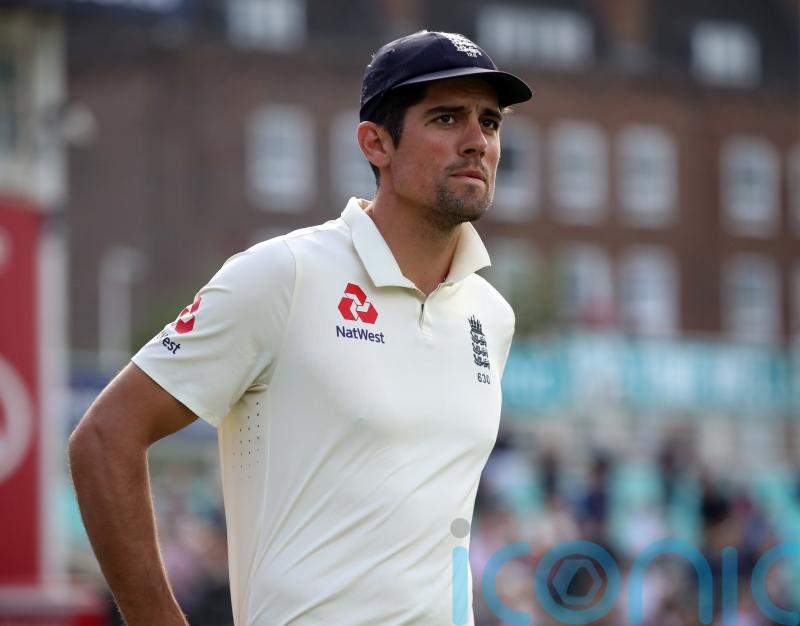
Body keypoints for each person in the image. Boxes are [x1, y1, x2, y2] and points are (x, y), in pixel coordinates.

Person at [68, 30, 532, 626]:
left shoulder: (491, 315)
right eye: (446, 118)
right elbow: (105, 438)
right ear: (376, 143)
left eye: (490, 123)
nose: (476, 142)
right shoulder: (283, 274)